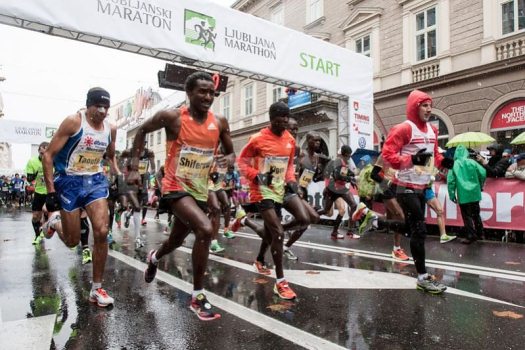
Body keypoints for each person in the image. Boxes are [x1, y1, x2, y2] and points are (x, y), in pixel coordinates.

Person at [133, 71, 235, 321]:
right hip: (174, 187)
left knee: (176, 241)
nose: (208, 96)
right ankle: (198, 296)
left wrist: (226, 159)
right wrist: (134, 167)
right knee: (205, 229)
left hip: (199, 189)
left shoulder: (219, 122)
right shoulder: (173, 117)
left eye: (211, 92)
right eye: (202, 91)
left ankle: (154, 257)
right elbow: (141, 130)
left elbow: (231, 154)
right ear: (189, 93)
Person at [41, 87, 119, 307]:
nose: (103, 112)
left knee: (102, 231)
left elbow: (110, 157)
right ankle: (55, 222)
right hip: (69, 182)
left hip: (94, 180)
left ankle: (97, 289)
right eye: (98, 107)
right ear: (88, 105)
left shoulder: (111, 129)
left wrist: (118, 178)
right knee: (73, 241)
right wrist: (50, 193)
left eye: (106, 108)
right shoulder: (74, 122)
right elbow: (48, 156)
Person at [381, 89, 454, 294]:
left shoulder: (432, 130)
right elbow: (388, 156)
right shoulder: (404, 129)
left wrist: (444, 162)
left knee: (413, 228)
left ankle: (374, 220)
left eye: (430, 105)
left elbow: (433, 157)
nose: (429, 109)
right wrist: (411, 160)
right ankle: (422, 277)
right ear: (415, 107)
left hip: (423, 185)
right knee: (419, 230)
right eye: (424, 105)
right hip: (405, 186)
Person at [237, 101, 299, 300]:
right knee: (278, 233)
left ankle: (245, 222)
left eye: (287, 118)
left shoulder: (289, 139)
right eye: (282, 119)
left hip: (279, 190)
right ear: (272, 119)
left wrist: (291, 179)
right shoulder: (257, 139)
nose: (286, 122)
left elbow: (289, 165)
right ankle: (280, 282)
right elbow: (242, 162)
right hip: (261, 191)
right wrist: (257, 176)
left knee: (301, 220)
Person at [317, 145, 359, 239]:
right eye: (348, 155)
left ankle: (347, 232)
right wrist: (350, 178)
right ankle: (308, 216)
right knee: (327, 211)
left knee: (352, 206)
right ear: (343, 154)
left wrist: (351, 176)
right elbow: (337, 176)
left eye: (350, 156)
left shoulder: (345, 162)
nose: (349, 157)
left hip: (340, 188)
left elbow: (344, 173)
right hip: (334, 189)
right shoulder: (338, 161)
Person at [448, 145, 486, 244]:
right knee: (476, 214)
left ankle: (470, 235)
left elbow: (451, 181)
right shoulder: (472, 162)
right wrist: (480, 184)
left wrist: (452, 195)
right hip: (475, 193)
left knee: (467, 216)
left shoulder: (454, 165)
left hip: (463, 194)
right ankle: (480, 233)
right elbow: (483, 173)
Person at [119, 146, 155, 249]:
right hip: (131, 183)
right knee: (137, 207)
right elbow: (120, 164)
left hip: (142, 182)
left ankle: (128, 214)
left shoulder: (149, 153)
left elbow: (153, 169)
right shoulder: (128, 152)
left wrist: (149, 174)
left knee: (140, 206)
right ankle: (138, 237)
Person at [26, 141, 50, 245]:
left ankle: (71, 240)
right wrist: (39, 171)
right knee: (36, 216)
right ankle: (37, 235)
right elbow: (29, 178)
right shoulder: (32, 161)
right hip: (39, 192)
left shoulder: (54, 160)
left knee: (47, 212)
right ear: (38, 152)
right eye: (41, 153)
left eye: (46, 153)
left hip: (51, 192)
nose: (43, 155)